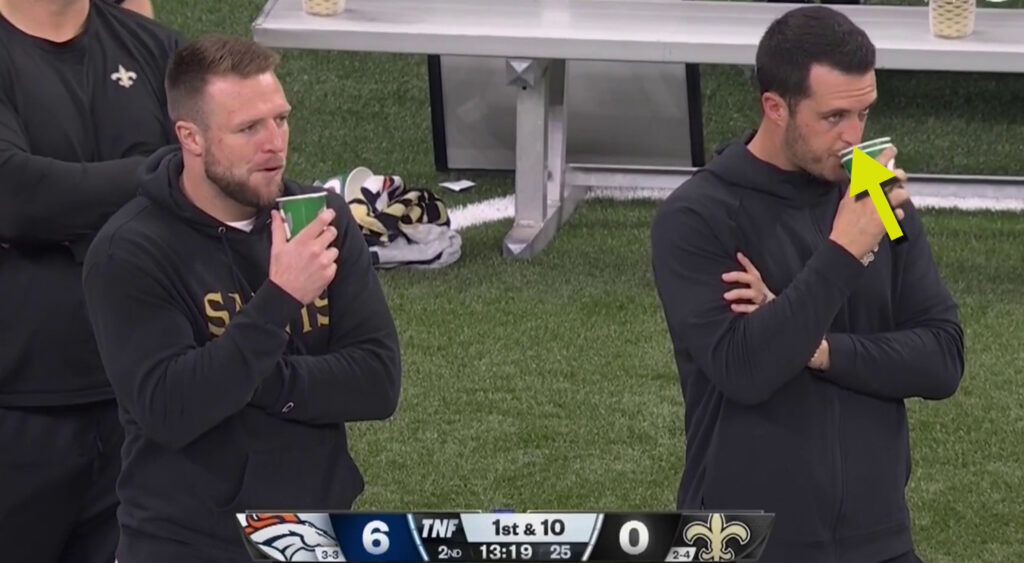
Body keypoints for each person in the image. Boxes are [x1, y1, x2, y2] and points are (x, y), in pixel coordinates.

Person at [650, 6, 964, 563]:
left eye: (864, 114)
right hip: (742, 541)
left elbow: (941, 359)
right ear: (776, 107)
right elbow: (746, 370)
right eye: (834, 117)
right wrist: (843, 250)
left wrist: (815, 349)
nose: (854, 138)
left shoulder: (874, 194)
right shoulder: (698, 217)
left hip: (880, 540)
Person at [82, 34, 403, 562]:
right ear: (191, 137)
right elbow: (172, 410)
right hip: (189, 544)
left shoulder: (315, 218)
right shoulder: (130, 252)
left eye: (280, 119)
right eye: (249, 128)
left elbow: (376, 382)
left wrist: (245, 381)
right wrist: (279, 298)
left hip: (317, 535)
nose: (274, 143)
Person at [0, 0, 182, 561]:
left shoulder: (155, 47)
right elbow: (16, 194)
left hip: (141, 401)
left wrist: (68, 216)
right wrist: (163, 175)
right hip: (19, 403)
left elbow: (214, 175)